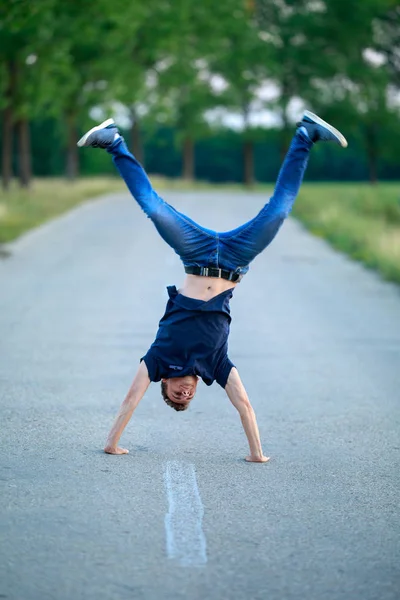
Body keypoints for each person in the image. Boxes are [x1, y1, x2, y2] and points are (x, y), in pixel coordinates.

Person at [77, 111, 347, 462]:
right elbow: (244, 404)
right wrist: (257, 454)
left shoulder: (158, 361)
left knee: (154, 209)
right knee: (279, 211)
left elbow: (130, 399)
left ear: (165, 384)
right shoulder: (215, 365)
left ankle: (113, 141)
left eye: (176, 395)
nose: (184, 394)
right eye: (187, 398)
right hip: (236, 260)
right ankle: (306, 134)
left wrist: (111, 443)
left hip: (195, 251)